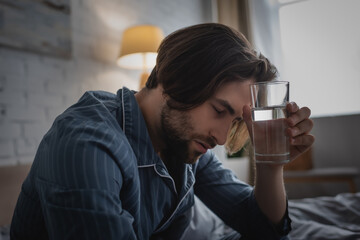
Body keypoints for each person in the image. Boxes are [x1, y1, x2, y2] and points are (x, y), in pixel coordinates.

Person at [10, 23, 314, 240]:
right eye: (219, 111)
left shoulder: (185, 144)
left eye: (234, 122)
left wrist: (270, 162)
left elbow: (263, 227)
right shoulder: (86, 144)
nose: (222, 138)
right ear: (174, 81)